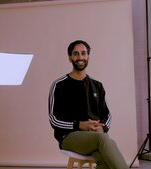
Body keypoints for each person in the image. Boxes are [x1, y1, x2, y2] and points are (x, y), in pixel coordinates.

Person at [48, 40, 129, 169]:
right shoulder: (59, 85)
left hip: (95, 136)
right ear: (70, 57)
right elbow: (53, 119)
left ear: (88, 56)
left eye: (83, 53)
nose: (80, 57)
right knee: (104, 140)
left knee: (103, 157)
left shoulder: (97, 85)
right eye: (76, 54)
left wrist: (103, 128)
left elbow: (107, 115)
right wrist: (80, 125)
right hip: (69, 136)